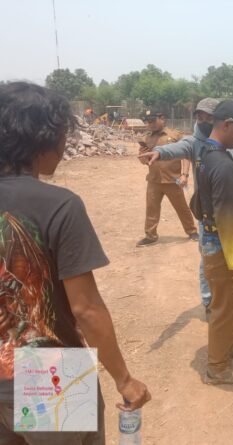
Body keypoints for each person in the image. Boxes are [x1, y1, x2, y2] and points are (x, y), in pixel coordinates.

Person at [0, 82, 151, 444]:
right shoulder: (60, 205)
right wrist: (124, 379)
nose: (64, 146)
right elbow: (86, 309)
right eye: (62, 135)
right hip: (50, 374)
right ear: (43, 138)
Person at [138, 98, 233, 318]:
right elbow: (177, 148)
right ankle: (210, 301)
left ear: (220, 120)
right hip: (210, 216)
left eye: (208, 117)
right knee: (210, 258)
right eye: (199, 117)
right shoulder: (196, 143)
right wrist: (159, 152)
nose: (203, 121)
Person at [136, 110, 198, 247]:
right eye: (148, 122)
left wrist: (184, 174)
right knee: (151, 209)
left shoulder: (175, 135)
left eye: (153, 121)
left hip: (173, 180)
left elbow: (186, 155)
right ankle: (150, 236)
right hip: (154, 180)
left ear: (162, 118)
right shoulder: (146, 138)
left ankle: (192, 231)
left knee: (181, 207)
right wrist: (143, 157)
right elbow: (144, 161)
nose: (150, 124)